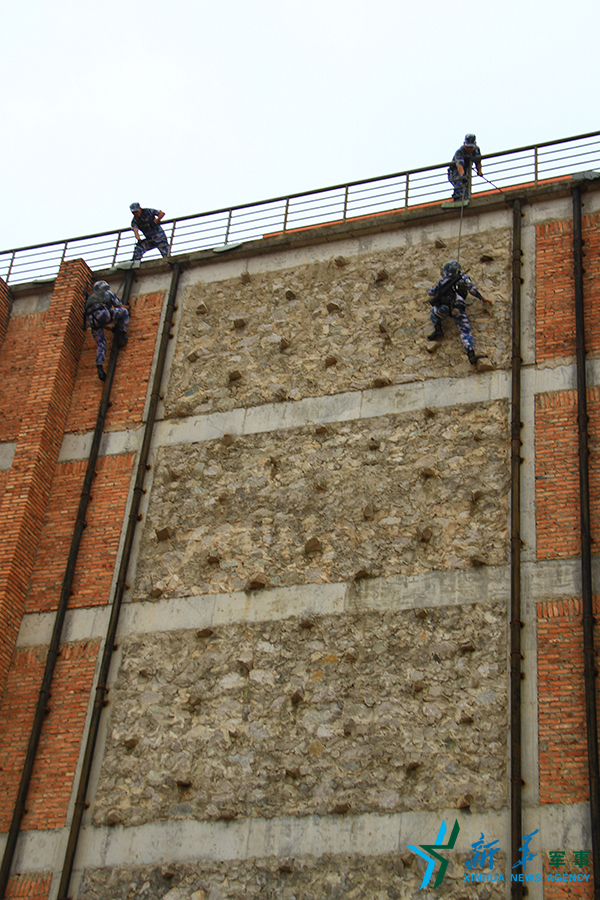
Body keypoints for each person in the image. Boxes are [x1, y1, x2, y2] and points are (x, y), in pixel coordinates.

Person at [427, 260, 491, 365]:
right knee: (465, 331)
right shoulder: (464, 278)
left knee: (433, 312)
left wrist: (432, 287)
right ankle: (471, 354)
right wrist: (482, 298)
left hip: (445, 307)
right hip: (458, 307)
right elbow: (472, 290)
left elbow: (431, 292)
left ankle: (438, 329)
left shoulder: (443, 280)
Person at [83, 280, 129, 381]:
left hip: (92, 321)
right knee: (124, 312)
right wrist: (127, 307)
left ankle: (100, 367)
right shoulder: (107, 293)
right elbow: (119, 306)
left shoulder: (91, 299)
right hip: (103, 315)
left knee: (101, 343)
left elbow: (99, 321)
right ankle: (121, 334)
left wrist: (111, 329)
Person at [448, 134, 483, 202]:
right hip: (455, 171)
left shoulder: (476, 150)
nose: (469, 149)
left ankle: (465, 198)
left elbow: (478, 161)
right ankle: (458, 199)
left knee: (467, 185)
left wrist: (479, 171)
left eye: (471, 147)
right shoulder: (460, 152)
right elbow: (459, 165)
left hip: (466, 169)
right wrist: (462, 176)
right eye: (468, 147)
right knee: (460, 182)